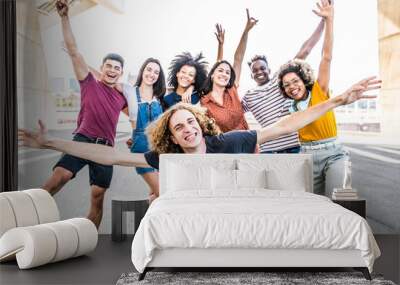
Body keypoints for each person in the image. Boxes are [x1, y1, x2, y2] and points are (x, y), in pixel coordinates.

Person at [19, 77, 380, 173]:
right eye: (178, 127)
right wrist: (52, 144)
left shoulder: (229, 141)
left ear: (200, 124)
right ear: (171, 137)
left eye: (190, 121)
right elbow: (107, 155)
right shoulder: (168, 159)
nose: (187, 129)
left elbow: (284, 125)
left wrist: (336, 100)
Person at [42, 0, 127, 228]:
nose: (112, 70)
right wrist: (64, 17)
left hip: (105, 149)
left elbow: (140, 114)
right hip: (83, 140)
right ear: (102, 68)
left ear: (121, 73)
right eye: (108, 66)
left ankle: (90, 239)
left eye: (117, 68)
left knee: (97, 198)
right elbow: (73, 51)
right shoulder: (89, 82)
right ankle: (24, 215)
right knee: (59, 177)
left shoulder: (122, 97)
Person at [277, 0, 343, 196]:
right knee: (313, 203)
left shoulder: (319, 90)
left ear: (303, 79)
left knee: (337, 199)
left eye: (295, 81)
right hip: (306, 156)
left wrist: (329, 20)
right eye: (286, 85)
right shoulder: (290, 107)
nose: (291, 87)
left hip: (334, 153)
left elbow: (326, 56)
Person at [242, 8, 325, 154]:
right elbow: (228, 111)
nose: (259, 72)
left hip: (296, 147)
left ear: (269, 69)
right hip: (269, 151)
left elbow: (305, 50)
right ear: (251, 75)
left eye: (262, 68)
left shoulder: (280, 80)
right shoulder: (248, 96)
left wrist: (324, 20)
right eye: (255, 71)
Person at [200, 9, 257, 132]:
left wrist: (246, 31)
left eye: (228, 73)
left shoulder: (232, 90)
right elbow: (218, 64)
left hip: (247, 146)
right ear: (212, 75)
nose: (224, 74)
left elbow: (238, 59)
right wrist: (220, 46)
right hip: (223, 149)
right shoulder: (204, 102)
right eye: (221, 71)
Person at [120, 59, 166, 202]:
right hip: (141, 150)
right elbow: (108, 81)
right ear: (143, 71)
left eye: (156, 72)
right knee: (162, 192)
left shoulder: (160, 97)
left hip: (160, 150)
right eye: (149, 69)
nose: (152, 74)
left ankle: (150, 222)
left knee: (155, 194)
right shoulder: (130, 92)